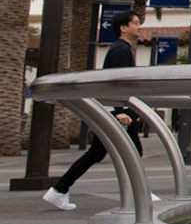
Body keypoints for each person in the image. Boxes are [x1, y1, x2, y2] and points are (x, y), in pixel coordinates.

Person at [43, 13, 148, 211]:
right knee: (133, 152)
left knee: (98, 153)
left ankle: (59, 190)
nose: (139, 26)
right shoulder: (120, 50)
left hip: (114, 110)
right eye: (135, 23)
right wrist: (120, 111)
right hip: (117, 112)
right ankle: (140, 194)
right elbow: (116, 82)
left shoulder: (121, 48)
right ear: (123, 28)